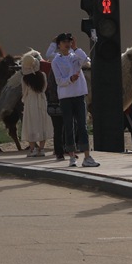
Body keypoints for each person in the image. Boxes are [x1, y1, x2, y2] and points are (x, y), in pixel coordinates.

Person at [50, 33, 99, 168]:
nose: (67, 43)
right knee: (69, 126)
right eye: (64, 41)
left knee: (82, 126)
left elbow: (86, 60)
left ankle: (87, 157)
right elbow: (59, 81)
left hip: (79, 95)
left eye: (69, 41)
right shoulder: (56, 61)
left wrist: (77, 48)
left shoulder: (76, 56)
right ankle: (71, 156)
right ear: (59, 44)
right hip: (66, 97)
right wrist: (69, 79)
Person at [20, 50, 53, 157]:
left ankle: (33, 149)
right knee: (42, 123)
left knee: (31, 125)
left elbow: (24, 92)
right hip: (42, 101)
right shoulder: (42, 75)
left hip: (30, 102)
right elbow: (44, 88)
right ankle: (42, 149)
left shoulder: (24, 79)